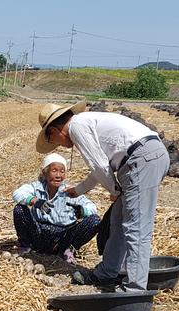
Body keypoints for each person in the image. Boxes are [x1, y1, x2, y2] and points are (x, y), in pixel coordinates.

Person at [35, 101, 169, 291]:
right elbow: (100, 167)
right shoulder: (85, 122)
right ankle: (106, 274)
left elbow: (98, 165)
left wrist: (115, 191)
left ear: (54, 130)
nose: (59, 145)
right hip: (146, 156)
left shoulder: (76, 127)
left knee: (136, 227)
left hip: (140, 160)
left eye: (53, 140)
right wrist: (79, 190)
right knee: (118, 221)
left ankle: (135, 289)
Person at [12, 152, 101, 263]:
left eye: (62, 171)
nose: (58, 175)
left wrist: (82, 211)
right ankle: (26, 245)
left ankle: (68, 250)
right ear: (45, 173)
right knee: (19, 209)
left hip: (63, 238)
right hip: (38, 234)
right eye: (54, 171)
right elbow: (17, 193)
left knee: (94, 220)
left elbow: (92, 208)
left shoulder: (69, 192)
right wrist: (35, 201)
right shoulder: (37, 187)